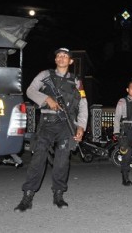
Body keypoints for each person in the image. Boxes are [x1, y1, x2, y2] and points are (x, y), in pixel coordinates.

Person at [14, 48, 88, 212]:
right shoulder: (44, 74)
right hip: (47, 122)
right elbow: (30, 91)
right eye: (59, 56)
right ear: (55, 60)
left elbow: (83, 104)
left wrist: (81, 127)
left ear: (70, 61)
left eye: (65, 56)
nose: (61, 58)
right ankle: (28, 195)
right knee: (38, 159)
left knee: (62, 161)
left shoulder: (76, 81)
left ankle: (59, 194)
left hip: (66, 125)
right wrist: (47, 99)